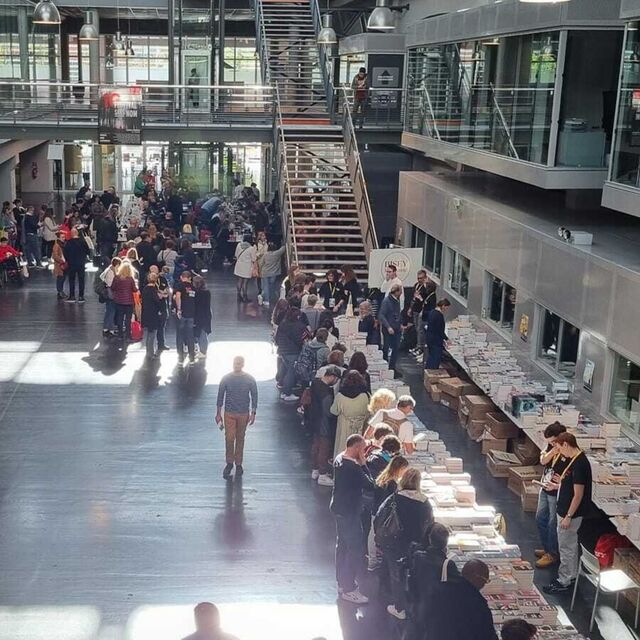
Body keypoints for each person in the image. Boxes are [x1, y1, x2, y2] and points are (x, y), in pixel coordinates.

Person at [378, 467, 434, 620]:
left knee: (396, 574)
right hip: (416, 544)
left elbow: (380, 516)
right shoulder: (424, 502)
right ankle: (414, 604)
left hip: (394, 542)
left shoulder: (394, 499)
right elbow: (430, 524)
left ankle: (399, 607)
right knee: (414, 572)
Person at [543, 431, 593, 595]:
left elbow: (578, 495)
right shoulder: (574, 460)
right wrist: (557, 487)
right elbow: (570, 486)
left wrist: (568, 516)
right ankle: (570, 575)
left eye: (559, 448)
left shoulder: (579, 464)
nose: (559, 452)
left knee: (566, 547)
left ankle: (564, 580)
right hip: (564, 509)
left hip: (569, 514)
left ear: (566, 444)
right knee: (569, 545)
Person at [329, 433, 374, 604]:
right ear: (356, 448)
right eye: (362, 450)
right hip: (350, 512)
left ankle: (341, 582)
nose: (364, 453)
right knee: (354, 549)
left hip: (339, 508)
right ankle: (348, 588)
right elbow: (370, 485)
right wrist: (364, 464)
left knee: (342, 546)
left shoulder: (339, 458)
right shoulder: (353, 467)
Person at [405, 523, 461, 639]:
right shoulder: (448, 564)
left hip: (419, 605)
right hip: (436, 609)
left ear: (430, 539)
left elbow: (413, 581)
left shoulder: (418, 556)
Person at [424, 559, 497, 640]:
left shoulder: (442, 590)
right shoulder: (477, 603)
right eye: (485, 580)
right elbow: (486, 632)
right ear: (476, 577)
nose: (484, 584)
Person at [216, 356, 258, 480]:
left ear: (243, 364)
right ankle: (229, 462)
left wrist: (253, 412)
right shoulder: (226, 378)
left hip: (243, 413)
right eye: (235, 363)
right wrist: (218, 413)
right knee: (229, 438)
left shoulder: (250, 379)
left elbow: (254, 395)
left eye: (239, 363)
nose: (236, 365)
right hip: (229, 413)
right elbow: (220, 396)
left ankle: (238, 463)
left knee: (240, 438)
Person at [535, 421, 568, 569]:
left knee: (552, 523)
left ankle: (553, 553)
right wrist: (553, 451)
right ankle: (547, 547)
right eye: (549, 442)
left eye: (554, 442)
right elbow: (543, 460)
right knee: (540, 518)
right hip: (545, 486)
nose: (551, 444)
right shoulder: (551, 447)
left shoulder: (567, 451)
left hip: (556, 491)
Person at [309, 365, 343, 487]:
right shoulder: (326, 393)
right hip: (324, 424)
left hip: (314, 421)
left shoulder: (315, 384)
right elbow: (329, 411)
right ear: (333, 377)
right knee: (324, 448)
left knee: (316, 446)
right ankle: (322, 474)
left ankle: (315, 470)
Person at [331, 370, 370, 458]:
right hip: (360, 426)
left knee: (343, 447)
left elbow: (334, 411)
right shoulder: (365, 395)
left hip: (344, 426)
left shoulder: (340, 396)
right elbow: (368, 411)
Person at [275, 307, 308, 402]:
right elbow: (299, 340)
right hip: (293, 352)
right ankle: (287, 393)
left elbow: (277, 337)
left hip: (282, 350)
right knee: (291, 372)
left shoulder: (283, 324)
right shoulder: (299, 326)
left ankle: (283, 389)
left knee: (285, 369)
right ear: (297, 316)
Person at [173, 269, 197, 366]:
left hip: (182, 314)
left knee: (180, 336)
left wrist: (179, 309)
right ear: (190, 278)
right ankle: (191, 358)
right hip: (191, 314)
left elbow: (178, 297)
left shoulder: (179, 285)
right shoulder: (193, 287)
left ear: (181, 277)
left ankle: (180, 358)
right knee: (190, 336)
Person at [110, 261, 138, 343]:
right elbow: (134, 289)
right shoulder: (130, 279)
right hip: (129, 302)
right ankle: (128, 336)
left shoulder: (116, 278)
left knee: (120, 318)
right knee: (128, 320)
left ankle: (120, 335)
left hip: (119, 301)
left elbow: (112, 288)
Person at [378, 284, 403, 373]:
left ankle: (392, 368)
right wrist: (388, 327)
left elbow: (398, 313)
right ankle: (385, 367)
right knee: (386, 347)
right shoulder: (387, 301)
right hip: (389, 329)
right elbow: (381, 315)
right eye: (400, 291)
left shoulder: (397, 300)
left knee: (395, 348)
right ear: (396, 292)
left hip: (396, 328)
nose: (401, 293)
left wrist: (400, 324)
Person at [141, 272, 164, 359]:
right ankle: (150, 353)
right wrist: (160, 298)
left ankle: (148, 352)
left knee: (149, 334)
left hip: (146, 313)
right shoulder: (153, 290)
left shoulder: (145, 289)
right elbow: (157, 301)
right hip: (153, 314)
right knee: (152, 334)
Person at [63, 228, 90, 303]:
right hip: (81, 264)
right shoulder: (83, 242)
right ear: (77, 233)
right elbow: (88, 251)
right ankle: (81, 297)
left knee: (71, 280)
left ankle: (72, 296)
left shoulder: (68, 243)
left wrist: (68, 260)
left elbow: (65, 253)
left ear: (71, 234)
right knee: (81, 280)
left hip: (72, 264)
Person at [424, 298, 451, 370]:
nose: (446, 310)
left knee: (431, 357)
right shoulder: (439, 316)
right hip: (436, 341)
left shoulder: (432, 312)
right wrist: (446, 339)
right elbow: (439, 330)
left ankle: (427, 372)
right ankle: (433, 372)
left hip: (430, 338)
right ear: (443, 306)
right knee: (435, 359)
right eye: (446, 308)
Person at [409, 269, 430, 358]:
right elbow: (413, 298)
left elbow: (426, 301)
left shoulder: (426, 289)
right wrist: (410, 308)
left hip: (421, 310)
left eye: (421, 278)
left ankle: (420, 347)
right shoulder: (416, 285)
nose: (419, 280)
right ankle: (417, 345)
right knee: (416, 328)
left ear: (425, 278)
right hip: (415, 309)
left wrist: (420, 298)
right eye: (418, 278)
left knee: (420, 329)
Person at [99, 257, 121, 335]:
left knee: (108, 311)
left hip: (107, 293)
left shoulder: (108, 270)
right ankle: (111, 329)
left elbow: (102, 277)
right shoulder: (112, 272)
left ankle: (106, 327)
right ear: (117, 264)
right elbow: (112, 284)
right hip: (111, 294)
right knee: (112, 311)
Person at [260, 242, 285, 307]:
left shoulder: (265, 255)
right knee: (271, 285)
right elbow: (283, 248)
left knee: (266, 287)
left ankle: (266, 300)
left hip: (265, 273)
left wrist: (260, 271)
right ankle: (270, 298)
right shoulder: (277, 253)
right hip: (274, 273)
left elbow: (261, 263)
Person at [234, 234, 257, 303]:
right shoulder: (251, 248)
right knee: (245, 282)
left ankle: (238, 296)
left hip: (239, 265)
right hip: (247, 267)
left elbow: (236, 255)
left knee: (239, 280)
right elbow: (254, 259)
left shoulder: (239, 245)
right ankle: (245, 297)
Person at [193, 275, 212, 359]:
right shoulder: (207, 292)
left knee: (201, 334)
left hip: (198, 315)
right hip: (206, 314)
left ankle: (203, 351)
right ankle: (202, 351)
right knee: (203, 333)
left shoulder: (196, 293)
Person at [51, 232, 67, 300]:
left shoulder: (64, 244)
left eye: (64, 237)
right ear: (59, 238)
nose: (64, 238)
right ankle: (60, 291)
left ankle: (61, 291)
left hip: (64, 264)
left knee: (63, 278)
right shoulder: (57, 245)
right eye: (62, 237)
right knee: (60, 278)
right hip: (59, 265)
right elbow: (55, 256)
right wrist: (61, 261)